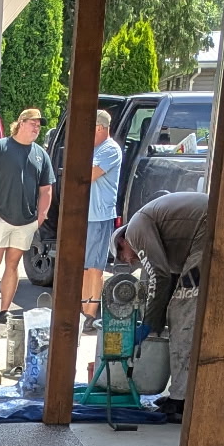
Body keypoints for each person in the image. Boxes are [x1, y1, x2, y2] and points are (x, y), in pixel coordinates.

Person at [118, 190, 208, 417]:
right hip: (209, 225)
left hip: (208, 226)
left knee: (182, 315)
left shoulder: (136, 229)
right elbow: (165, 283)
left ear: (122, 240)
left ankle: (181, 401)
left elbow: (160, 278)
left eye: (123, 255)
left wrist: (149, 325)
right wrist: (155, 321)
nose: (129, 261)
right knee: (187, 314)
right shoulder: (156, 234)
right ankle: (186, 394)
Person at [0, 108, 54, 319]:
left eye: (39, 125)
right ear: (21, 123)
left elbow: (46, 189)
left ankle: (4, 311)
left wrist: (40, 216)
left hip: (25, 221)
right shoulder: (0, 147)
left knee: (12, 264)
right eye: (33, 123)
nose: (36, 127)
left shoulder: (40, 154)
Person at [82, 110, 122, 325]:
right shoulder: (93, 148)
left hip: (99, 215)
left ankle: (91, 313)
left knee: (95, 266)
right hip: (84, 214)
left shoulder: (110, 149)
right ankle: (81, 309)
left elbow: (89, 174)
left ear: (99, 128)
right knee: (84, 266)